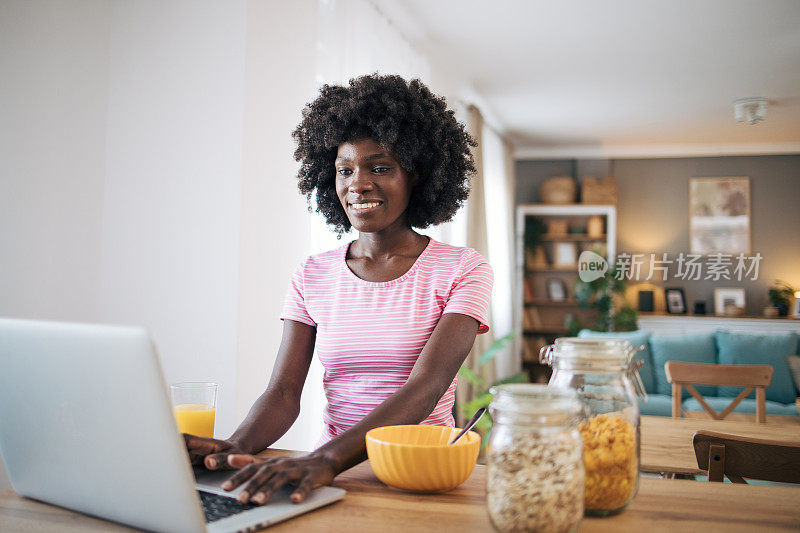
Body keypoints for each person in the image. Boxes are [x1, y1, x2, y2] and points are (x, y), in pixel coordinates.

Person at [184, 73, 493, 506]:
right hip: (333, 476)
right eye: (344, 170)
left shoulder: (462, 268)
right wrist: (236, 448)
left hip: (419, 476)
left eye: (380, 167)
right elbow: (284, 392)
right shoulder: (311, 274)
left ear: (416, 176)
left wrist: (326, 459)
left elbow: (426, 386)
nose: (358, 184)